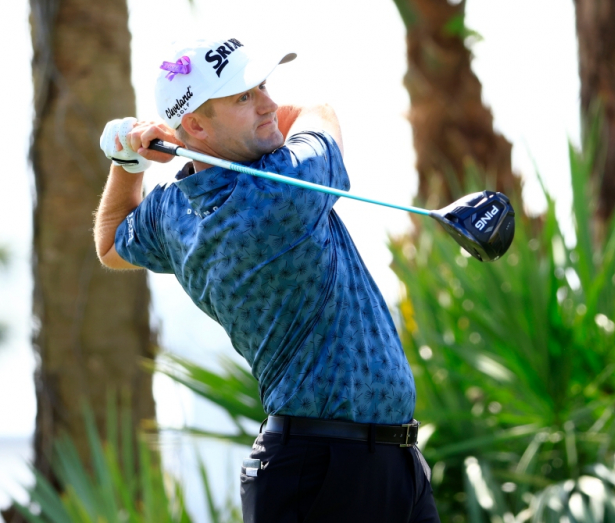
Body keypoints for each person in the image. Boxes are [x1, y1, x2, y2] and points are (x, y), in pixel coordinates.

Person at [94, 36, 440, 523]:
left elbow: (109, 245)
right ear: (194, 124)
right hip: (324, 470)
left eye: (262, 87)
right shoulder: (278, 189)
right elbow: (318, 111)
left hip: (380, 462)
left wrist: (127, 161)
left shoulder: (172, 211)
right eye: (243, 97)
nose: (269, 104)